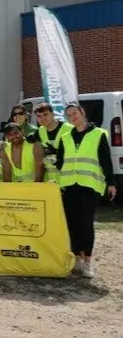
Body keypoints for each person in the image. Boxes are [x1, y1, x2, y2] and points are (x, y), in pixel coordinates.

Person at [56, 103, 116, 278]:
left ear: (82, 113)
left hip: (89, 185)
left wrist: (111, 183)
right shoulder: (65, 137)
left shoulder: (98, 134)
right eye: (68, 115)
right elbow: (60, 162)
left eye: (75, 113)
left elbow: (105, 160)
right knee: (72, 222)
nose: (72, 117)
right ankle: (77, 258)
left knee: (85, 222)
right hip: (69, 185)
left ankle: (88, 261)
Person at [27, 102, 74, 183]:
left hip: (70, 180)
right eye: (39, 116)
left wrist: (57, 152)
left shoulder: (70, 129)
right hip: (51, 181)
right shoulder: (40, 131)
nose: (42, 118)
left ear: (53, 114)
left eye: (45, 114)